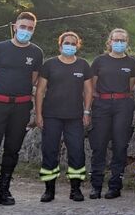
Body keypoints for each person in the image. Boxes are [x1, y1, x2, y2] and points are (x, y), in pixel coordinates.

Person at [0, 11, 43, 210]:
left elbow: (34, 79)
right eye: (23, 27)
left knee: (12, 149)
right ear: (14, 26)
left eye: (30, 28)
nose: (26, 31)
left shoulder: (36, 52)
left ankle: (4, 190)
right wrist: (4, 86)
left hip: (20, 106)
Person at [35, 32, 93, 202]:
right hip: (51, 115)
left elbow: (88, 90)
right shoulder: (50, 65)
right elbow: (39, 91)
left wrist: (87, 112)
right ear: (60, 45)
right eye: (66, 43)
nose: (70, 46)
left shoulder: (83, 65)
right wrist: (38, 115)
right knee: (50, 151)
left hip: (75, 117)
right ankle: (49, 190)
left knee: (77, 152)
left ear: (78, 46)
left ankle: (75, 189)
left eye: (73, 43)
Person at [88, 28, 135, 199]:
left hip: (123, 104)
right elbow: (91, 87)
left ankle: (115, 185)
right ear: (109, 42)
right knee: (99, 144)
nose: (119, 43)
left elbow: (131, 87)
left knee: (120, 144)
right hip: (102, 104)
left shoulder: (131, 63)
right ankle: (96, 186)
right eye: (116, 40)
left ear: (127, 42)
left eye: (122, 40)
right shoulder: (99, 61)